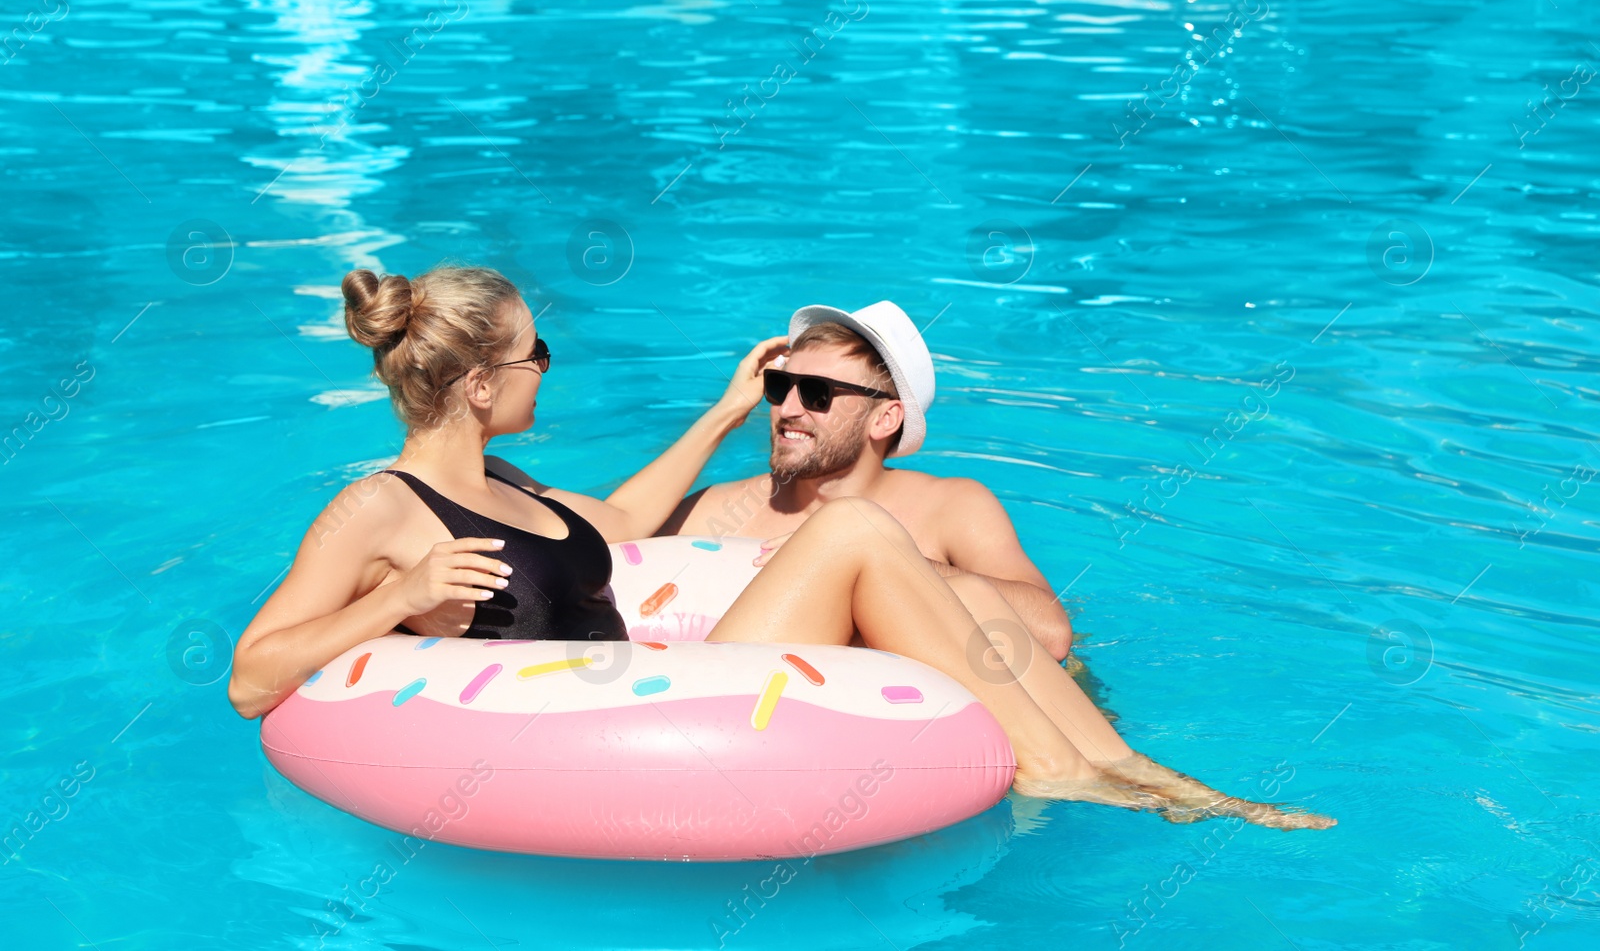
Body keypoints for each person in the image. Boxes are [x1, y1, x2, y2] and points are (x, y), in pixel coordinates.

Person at [227, 264, 1333, 830]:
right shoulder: (377, 509)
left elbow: (614, 530)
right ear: (478, 383)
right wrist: (399, 596)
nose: (545, 367)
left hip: (653, 679)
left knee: (903, 559)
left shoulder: (515, 483)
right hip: (599, 717)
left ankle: (1134, 769)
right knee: (854, 527)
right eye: (535, 352)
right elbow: (250, 676)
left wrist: (721, 410)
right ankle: (1071, 773)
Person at [656, 302, 1078, 661]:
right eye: (780, 385)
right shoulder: (717, 510)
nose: (788, 409)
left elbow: (1051, 633)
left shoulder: (950, 509)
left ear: (884, 418)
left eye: (817, 394)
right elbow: (606, 563)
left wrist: (890, 559)